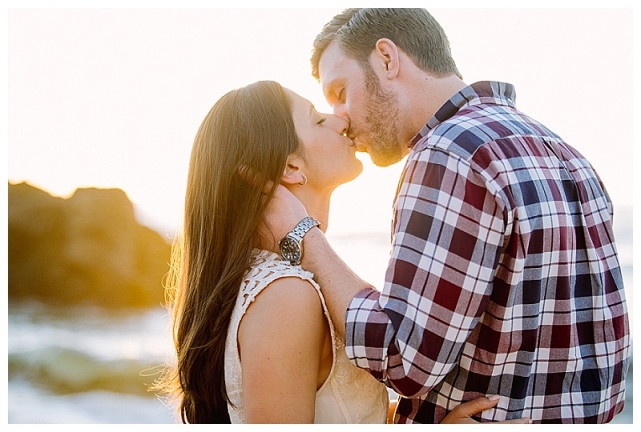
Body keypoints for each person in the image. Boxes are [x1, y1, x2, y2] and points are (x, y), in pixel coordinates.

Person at [258, 8, 631, 424]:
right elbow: (606, 372)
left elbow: (403, 359)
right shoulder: (563, 152)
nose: (340, 119)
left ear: (387, 58)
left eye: (342, 91)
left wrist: (304, 239)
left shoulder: (448, 153)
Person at [156, 80, 520, 424]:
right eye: (317, 119)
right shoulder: (286, 293)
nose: (340, 119)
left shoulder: (287, 282)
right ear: (291, 167)